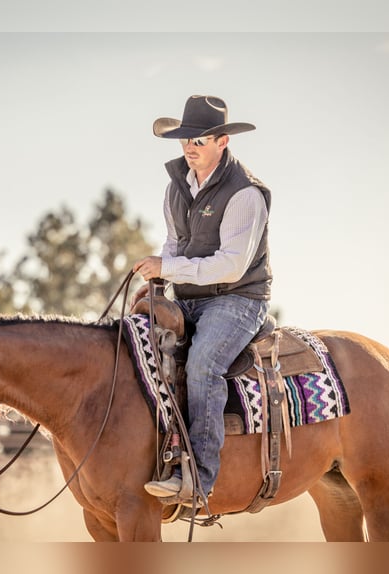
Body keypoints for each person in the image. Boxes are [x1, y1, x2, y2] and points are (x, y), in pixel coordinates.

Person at [133, 95, 272, 503]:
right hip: (189, 297)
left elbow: (231, 265)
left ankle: (198, 476)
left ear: (222, 141)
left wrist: (168, 269)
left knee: (202, 365)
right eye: (185, 139)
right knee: (134, 349)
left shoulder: (246, 192)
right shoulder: (176, 186)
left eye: (199, 139)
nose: (189, 146)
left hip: (237, 299)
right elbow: (174, 243)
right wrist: (159, 278)